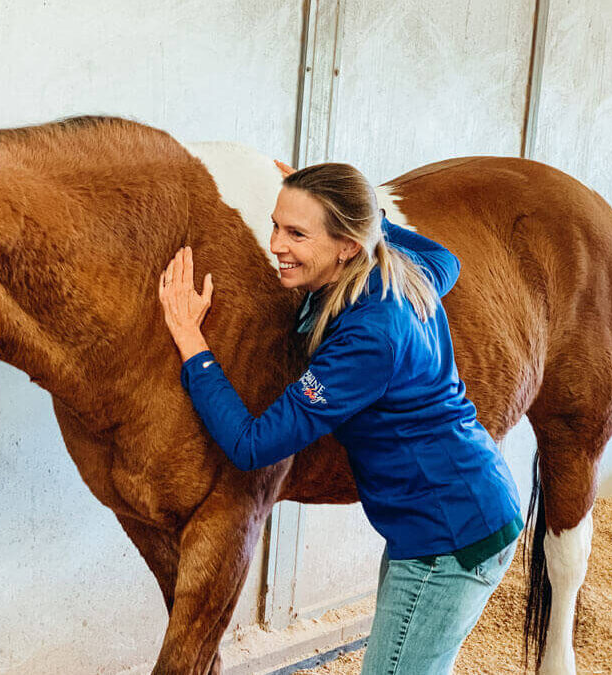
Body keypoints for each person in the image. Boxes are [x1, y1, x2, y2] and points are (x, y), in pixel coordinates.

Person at [157, 160, 522, 674]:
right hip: (455, 513)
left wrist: (192, 343)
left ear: (347, 246)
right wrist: (373, 220)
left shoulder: (367, 338)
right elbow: (448, 260)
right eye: (276, 225)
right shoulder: (401, 271)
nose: (276, 245)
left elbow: (251, 446)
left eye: (297, 234)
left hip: (449, 538)